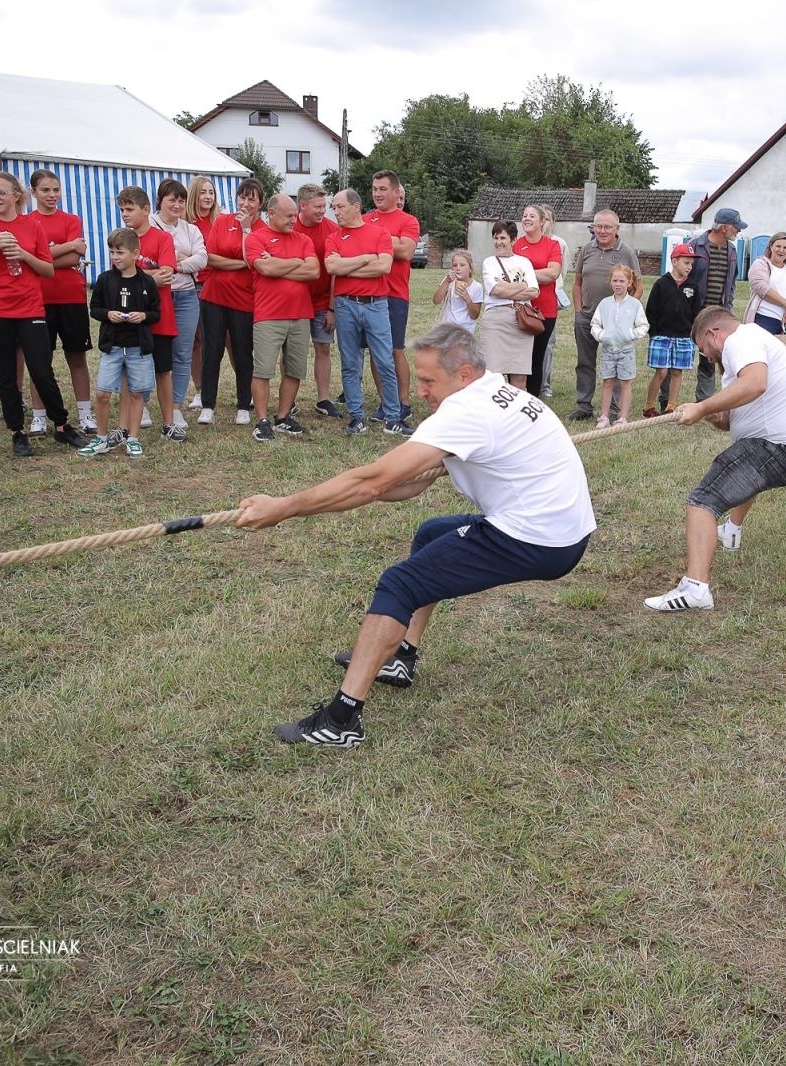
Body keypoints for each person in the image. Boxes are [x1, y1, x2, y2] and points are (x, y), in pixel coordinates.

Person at [236, 323, 595, 748]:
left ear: (463, 374)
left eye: (428, 380)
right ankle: (400, 657)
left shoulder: (466, 412)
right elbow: (410, 482)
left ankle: (341, 720)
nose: (420, 390)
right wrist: (366, 490)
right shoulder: (500, 393)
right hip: (564, 532)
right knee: (432, 534)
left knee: (399, 583)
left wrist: (284, 507)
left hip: (535, 538)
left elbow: (371, 481)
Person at [644, 306, 786, 612]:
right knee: (743, 462)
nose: (707, 357)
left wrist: (701, 407)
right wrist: (707, 414)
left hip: (783, 448)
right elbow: (731, 419)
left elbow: (756, 383)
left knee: (702, 500)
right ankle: (731, 531)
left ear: (713, 334)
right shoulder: (750, 344)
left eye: (704, 349)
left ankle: (695, 589)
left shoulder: (739, 340)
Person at [0, 169, 87, 457]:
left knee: (42, 370)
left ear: (16, 195)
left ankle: (61, 425)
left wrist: (24, 254)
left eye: (1, 192)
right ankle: (17, 432)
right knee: (6, 373)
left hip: (30, 306)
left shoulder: (32, 227)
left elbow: (46, 269)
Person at [326, 188, 407, 435]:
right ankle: (356, 416)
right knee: (350, 363)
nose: (336, 212)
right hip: (345, 304)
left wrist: (346, 268)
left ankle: (393, 418)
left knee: (384, 361)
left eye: (340, 206)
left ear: (356, 206)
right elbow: (331, 266)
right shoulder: (334, 237)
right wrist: (365, 258)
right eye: (334, 207)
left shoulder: (380, 233)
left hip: (376, 304)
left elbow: (383, 266)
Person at [80, 228, 161, 459]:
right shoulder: (105, 280)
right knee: (102, 393)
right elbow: (94, 308)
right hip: (112, 346)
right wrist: (108, 314)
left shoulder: (146, 281)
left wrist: (143, 316)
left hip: (139, 348)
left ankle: (132, 438)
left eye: (120, 252)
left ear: (135, 254)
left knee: (137, 393)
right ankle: (101, 438)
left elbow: (156, 313)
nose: (115, 257)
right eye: (112, 252)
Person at [26, 170, 95, 436]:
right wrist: (64, 247)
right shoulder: (28, 221)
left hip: (71, 296)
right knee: (39, 362)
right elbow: (29, 257)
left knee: (77, 357)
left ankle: (85, 414)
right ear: (33, 192)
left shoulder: (71, 219)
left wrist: (40, 256)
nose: (52, 195)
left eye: (56, 189)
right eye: (45, 190)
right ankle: (39, 417)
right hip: (38, 300)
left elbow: (75, 257)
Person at [244, 193, 318, 442]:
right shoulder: (255, 238)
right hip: (269, 314)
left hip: (300, 314)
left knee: (294, 369)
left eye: (295, 215)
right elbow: (265, 268)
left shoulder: (304, 239)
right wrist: (296, 262)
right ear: (271, 213)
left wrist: (281, 264)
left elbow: (314, 271)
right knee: (263, 369)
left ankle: (283, 417)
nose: (293, 219)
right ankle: (262, 420)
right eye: (288, 215)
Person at [198, 178, 263, 427]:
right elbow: (210, 258)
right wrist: (240, 264)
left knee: (243, 352)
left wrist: (246, 231)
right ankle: (207, 405)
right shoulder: (223, 221)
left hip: (244, 300)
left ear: (260, 203)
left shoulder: (261, 229)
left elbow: (255, 260)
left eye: (251, 199)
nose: (245, 203)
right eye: (242, 197)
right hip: (214, 296)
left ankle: (243, 405)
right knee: (211, 351)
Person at [568, 209, 640, 420]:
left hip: (615, 322)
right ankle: (584, 405)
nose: (601, 230)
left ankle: (616, 409)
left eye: (607, 226)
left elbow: (638, 286)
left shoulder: (626, 252)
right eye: (598, 226)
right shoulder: (586, 250)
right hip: (587, 317)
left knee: (617, 362)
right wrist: (579, 311)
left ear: (617, 229)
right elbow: (577, 282)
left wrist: (626, 312)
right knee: (585, 362)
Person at [117, 186, 178, 433]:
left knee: (163, 370)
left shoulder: (162, 238)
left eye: (129, 209)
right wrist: (148, 276)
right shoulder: (120, 239)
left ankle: (169, 423)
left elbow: (167, 274)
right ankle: (124, 425)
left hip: (158, 316)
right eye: (122, 209)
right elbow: (117, 276)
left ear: (146, 209)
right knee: (127, 372)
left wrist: (135, 275)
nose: (125, 214)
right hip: (128, 319)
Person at [152, 178, 207, 441]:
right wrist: (183, 260)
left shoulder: (191, 229)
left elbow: (202, 259)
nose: (177, 204)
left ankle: (174, 408)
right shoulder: (149, 224)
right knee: (150, 352)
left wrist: (175, 264)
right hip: (156, 295)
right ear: (160, 200)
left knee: (182, 354)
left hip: (186, 295)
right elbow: (147, 256)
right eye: (171, 199)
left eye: (181, 200)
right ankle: (141, 405)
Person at [364, 170, 420, 422]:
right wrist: (389, 242)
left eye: (382, 189)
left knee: (396, 349)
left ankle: (403, 402)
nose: (377, 193)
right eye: (374, 189)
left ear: (397, 193)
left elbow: (406, 251)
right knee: (377, 352)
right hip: (370, 294)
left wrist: (375, 241)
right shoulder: (365, 218)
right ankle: (386, 403)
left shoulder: (408, 221)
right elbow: (356, 245)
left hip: (395, 294)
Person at [678, 207, 747, 405]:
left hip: (718, 315)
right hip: (693, 311)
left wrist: (729, 307)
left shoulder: (732, 251)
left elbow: (731, 283)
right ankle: (668, 401)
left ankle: (704, 402)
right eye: (736, 227)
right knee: (676, 355)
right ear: (724, 227)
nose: (739, 231)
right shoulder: (695, 246)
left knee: (711, 357)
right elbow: (681, 277)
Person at [289, 184, 342, 420]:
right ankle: (287, 400)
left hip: (322, 302)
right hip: (295, 301)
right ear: (303, 206)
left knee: (323, 347)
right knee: (290, 351)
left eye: (324, 206)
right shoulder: (289, 226)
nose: (323, 211)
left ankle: (323, 398)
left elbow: (335, 273)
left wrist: (331, 307)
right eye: (318, 206)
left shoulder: (332, 230)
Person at [478, 220, 541, 389]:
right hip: (495, 321)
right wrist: (521, 286)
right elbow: (495, 290)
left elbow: (534, 292)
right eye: (496, 238)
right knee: (492, 376)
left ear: (513, 240)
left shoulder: (524, 262)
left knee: (519, 375)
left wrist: (506, 288)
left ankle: (516, 414)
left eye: (503, 238)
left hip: (521, 320)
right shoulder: (489, 262)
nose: (498, 242)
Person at [642, 243, 700, 417]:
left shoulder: (693, 287)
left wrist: (692, 332)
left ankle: (671, 406)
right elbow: (651, 310)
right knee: (661, 371)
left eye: (691, 264)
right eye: (686, 263)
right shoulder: (661, 284)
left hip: (684, 336)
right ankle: (649, 406)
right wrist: (654, 332)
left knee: (677, 372)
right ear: (674, 261)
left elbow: (697, 312)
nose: (689, 267)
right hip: (662, 335)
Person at [589, 264, 647, 428]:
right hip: (608, 350)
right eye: (615, 280)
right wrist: (602, 335)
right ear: (610, 282)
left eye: (622, 280)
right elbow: (595, 324)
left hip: (626, 351)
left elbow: (643, 326)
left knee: (625, 383)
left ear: (629, 283)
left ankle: (622, 417)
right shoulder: (604, 304)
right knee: (607, 382)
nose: (618, 284)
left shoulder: (634, 304)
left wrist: (631, 335)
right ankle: (604, 416)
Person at [514, 203, 564, 393]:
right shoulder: (516, 244)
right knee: (517, 356)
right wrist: (536, 275)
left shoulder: (552, 245)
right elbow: (509, 274)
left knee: (537, 355)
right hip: (518, 307)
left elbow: (552, 273)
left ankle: (533, 397)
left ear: (542, 222)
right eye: (524, 215)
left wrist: (524, 274)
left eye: (532, 216)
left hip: (545, 310)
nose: (526, 218)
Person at [184, 175, 219, 411]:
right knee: (197, 341)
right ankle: (199, 390)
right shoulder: (185, 223)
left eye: (211, 192)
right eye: (203, 192)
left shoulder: (221, 221)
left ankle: (243, 388)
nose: (208, 197)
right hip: (193, 285)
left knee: (221, 340)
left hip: (216, 285)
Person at [742, 232, 786, 335]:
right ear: (771, 247)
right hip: (765, 319)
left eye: (785, 248)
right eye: (778, 246)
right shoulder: (761, 264)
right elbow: (762, 288)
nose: (781, 250)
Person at [537, 204, 568, 397]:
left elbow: (560, 273)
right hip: (529, 299)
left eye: (547, 219)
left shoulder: (559, 244)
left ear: (552, 223)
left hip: (550, 299)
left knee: (548, 343)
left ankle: (544, 384)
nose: (544, 223)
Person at [432, 249, 483, 329]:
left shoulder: (477, 287)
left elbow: (475, 315)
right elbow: (436, 301)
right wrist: (446, 281)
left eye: (462, 265)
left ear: (470, 268)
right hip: (447, 329)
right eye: (455, 265)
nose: (458, 268)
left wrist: (467, 298)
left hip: (465, 331)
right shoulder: (449, 281)